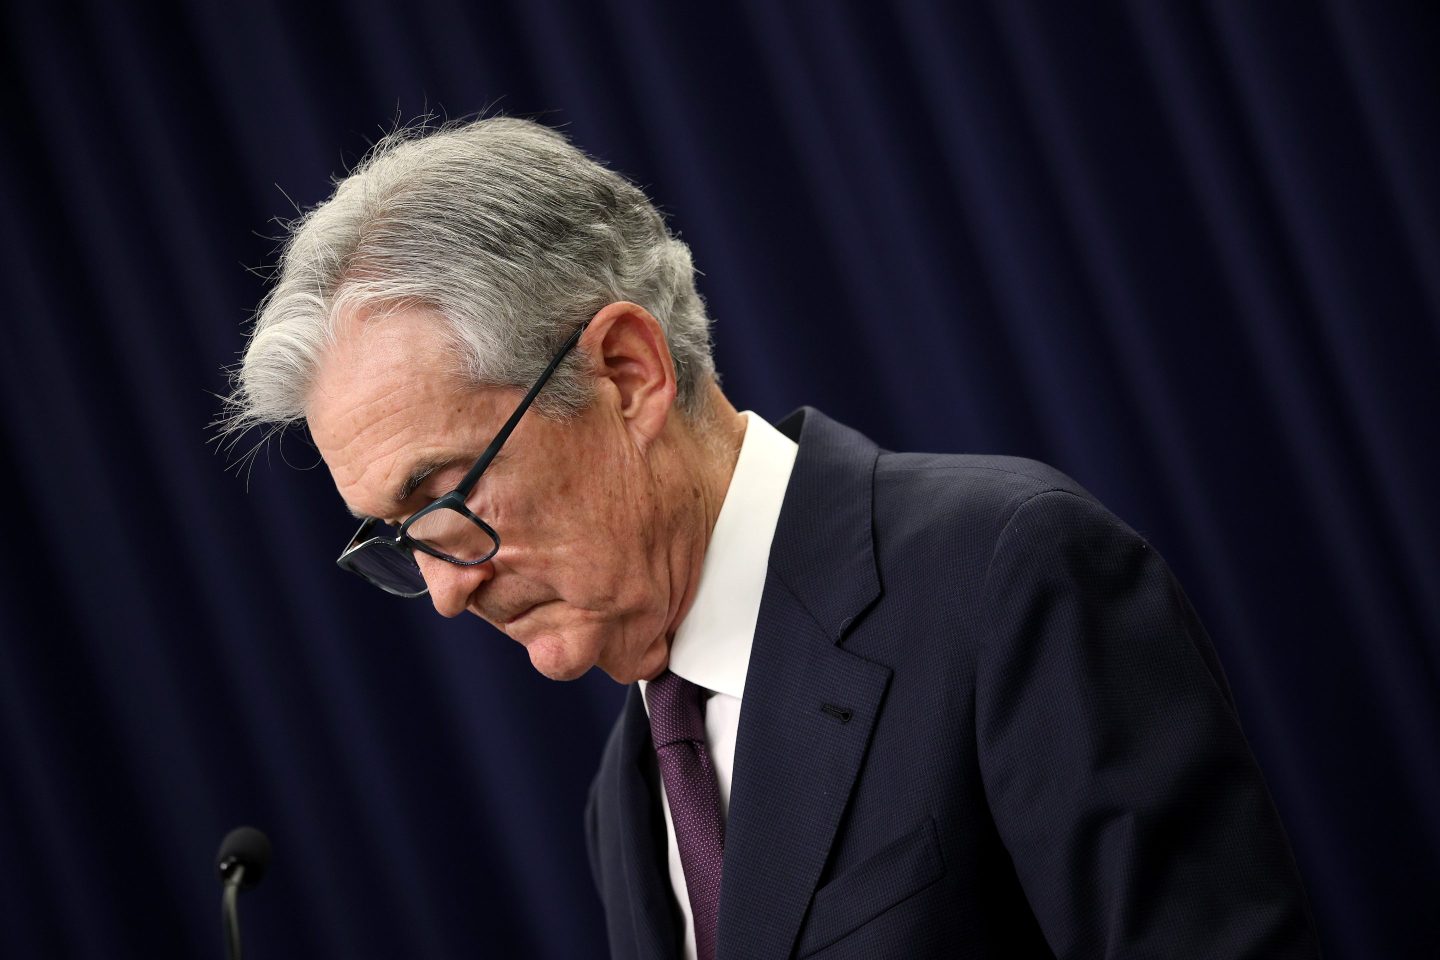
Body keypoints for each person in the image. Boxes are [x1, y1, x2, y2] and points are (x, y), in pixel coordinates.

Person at [223, 116, 1320, 959]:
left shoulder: (1005, 574)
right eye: (396, 536)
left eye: (443, 493)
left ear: (627, 375)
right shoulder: (631, 786)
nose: (447, 592)